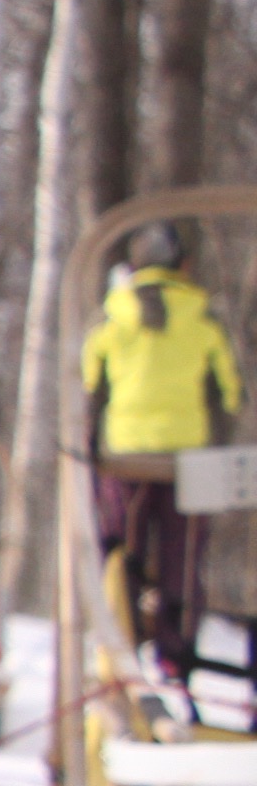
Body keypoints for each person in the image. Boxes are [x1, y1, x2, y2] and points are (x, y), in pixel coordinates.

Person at [80, 221, 241, 677]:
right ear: (183, 266)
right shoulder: (204, 318)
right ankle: (176, 655)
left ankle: (120, 648)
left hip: (124, 457)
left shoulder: (113, 316)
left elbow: (90, 385)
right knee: (184, 560)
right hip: (189, 461)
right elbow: (229, 393)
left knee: (121, 553)